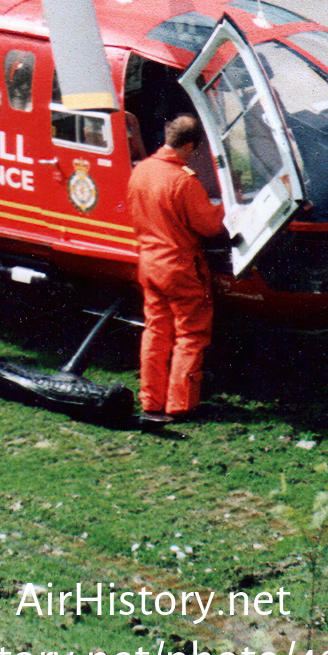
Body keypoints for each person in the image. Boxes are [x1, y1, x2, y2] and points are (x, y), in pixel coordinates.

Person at [127, 114, 225, 425]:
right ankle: (180, 404)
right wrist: (227, 208)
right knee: (191, 335)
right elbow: (209, 226)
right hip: (180, 267)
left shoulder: (141, 170)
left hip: (150, 264)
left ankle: (150, 401)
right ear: (189, 145)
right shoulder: (183, 180)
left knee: (155, 332)